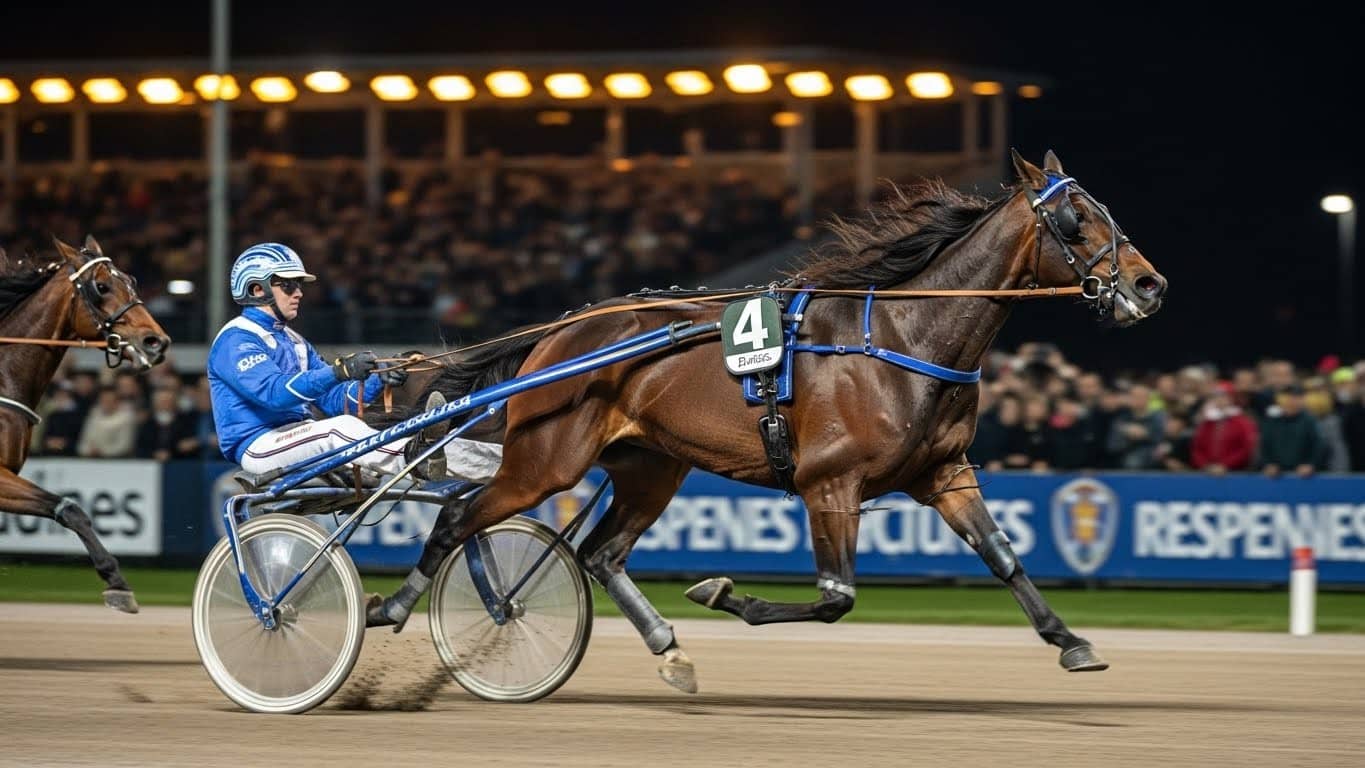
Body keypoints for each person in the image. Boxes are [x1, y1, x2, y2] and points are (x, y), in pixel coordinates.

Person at [206, 242, 502, 484]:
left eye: (298, 284)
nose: (299, 292)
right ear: (257, 290)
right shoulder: (236, 340)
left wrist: (377, 380)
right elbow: (274, 394)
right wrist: (339, 370)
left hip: (297, 436)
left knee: (395, 427)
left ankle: (501, 465)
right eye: (288, 285)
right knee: (340, 429)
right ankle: (417, 456)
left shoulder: (295, 342)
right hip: (258, 445)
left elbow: (335, 402)